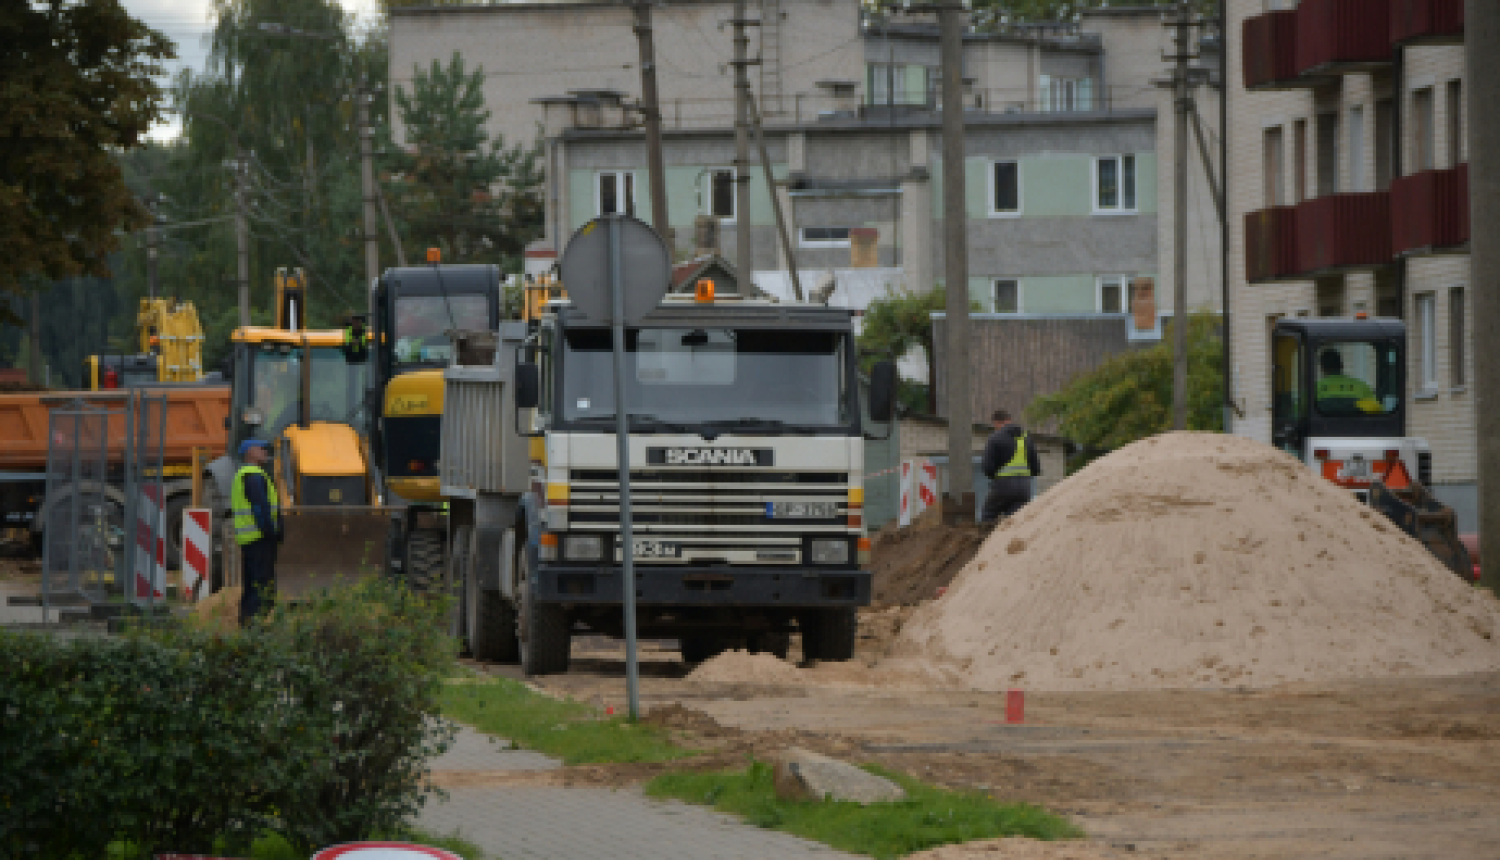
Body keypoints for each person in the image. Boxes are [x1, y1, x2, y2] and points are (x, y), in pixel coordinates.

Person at [232, 439, 282, 626]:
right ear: (250, 452)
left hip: (251, 540)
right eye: (261, 448)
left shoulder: (247, 475)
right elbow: (260, 509)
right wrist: (271, 532)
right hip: (260, 539)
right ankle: (255, 628)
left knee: (252, 585)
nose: (265, 451)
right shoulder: (253, 476)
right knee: (261, 586)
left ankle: (246, 625)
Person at [980, 409, 1041, 524]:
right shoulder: (1027, 438)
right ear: (1009, 420)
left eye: (995, 425)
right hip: (1025, 487)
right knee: (1015, 520)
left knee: (989, 513)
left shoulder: (995, 438)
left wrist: (995, 477)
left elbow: (987, 467)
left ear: (997, 423)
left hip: (1003, 485)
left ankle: (988, 540)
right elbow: (1036, 468)